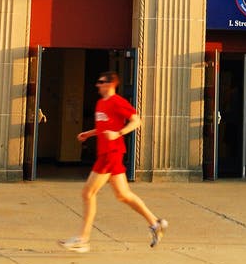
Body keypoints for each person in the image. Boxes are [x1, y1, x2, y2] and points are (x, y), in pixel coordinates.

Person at [59, 71, 167, 254]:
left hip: (111, 153)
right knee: (123, 195)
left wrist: (118, 134)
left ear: (111, 84)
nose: (97, 85)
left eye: (101, 82)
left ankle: (83, 240)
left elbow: (136, 121)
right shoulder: (101, 103)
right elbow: (104, 126)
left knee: (87, 193)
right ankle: (155, 223)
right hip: (107, 153)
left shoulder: (117, 102)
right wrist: (89, 133)